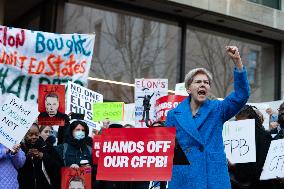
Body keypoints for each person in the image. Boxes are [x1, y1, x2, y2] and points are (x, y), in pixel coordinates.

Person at [165, 46, 250, 189]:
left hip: (213, 177)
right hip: (184, 178)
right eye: (198, 82)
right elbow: (169, 149)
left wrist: (237, 62)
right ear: (188, 89)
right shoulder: (173, 115)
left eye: (206, 82)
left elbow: (241, 95)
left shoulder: (218, 109)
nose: (203, 84)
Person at [229, 105, 272, 189]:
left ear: (252, 120)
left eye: (243, 123)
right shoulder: (234, 136)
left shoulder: (264, 136)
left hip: (255, 184)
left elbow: (260, 167)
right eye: (237, 122)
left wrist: (235, 166)